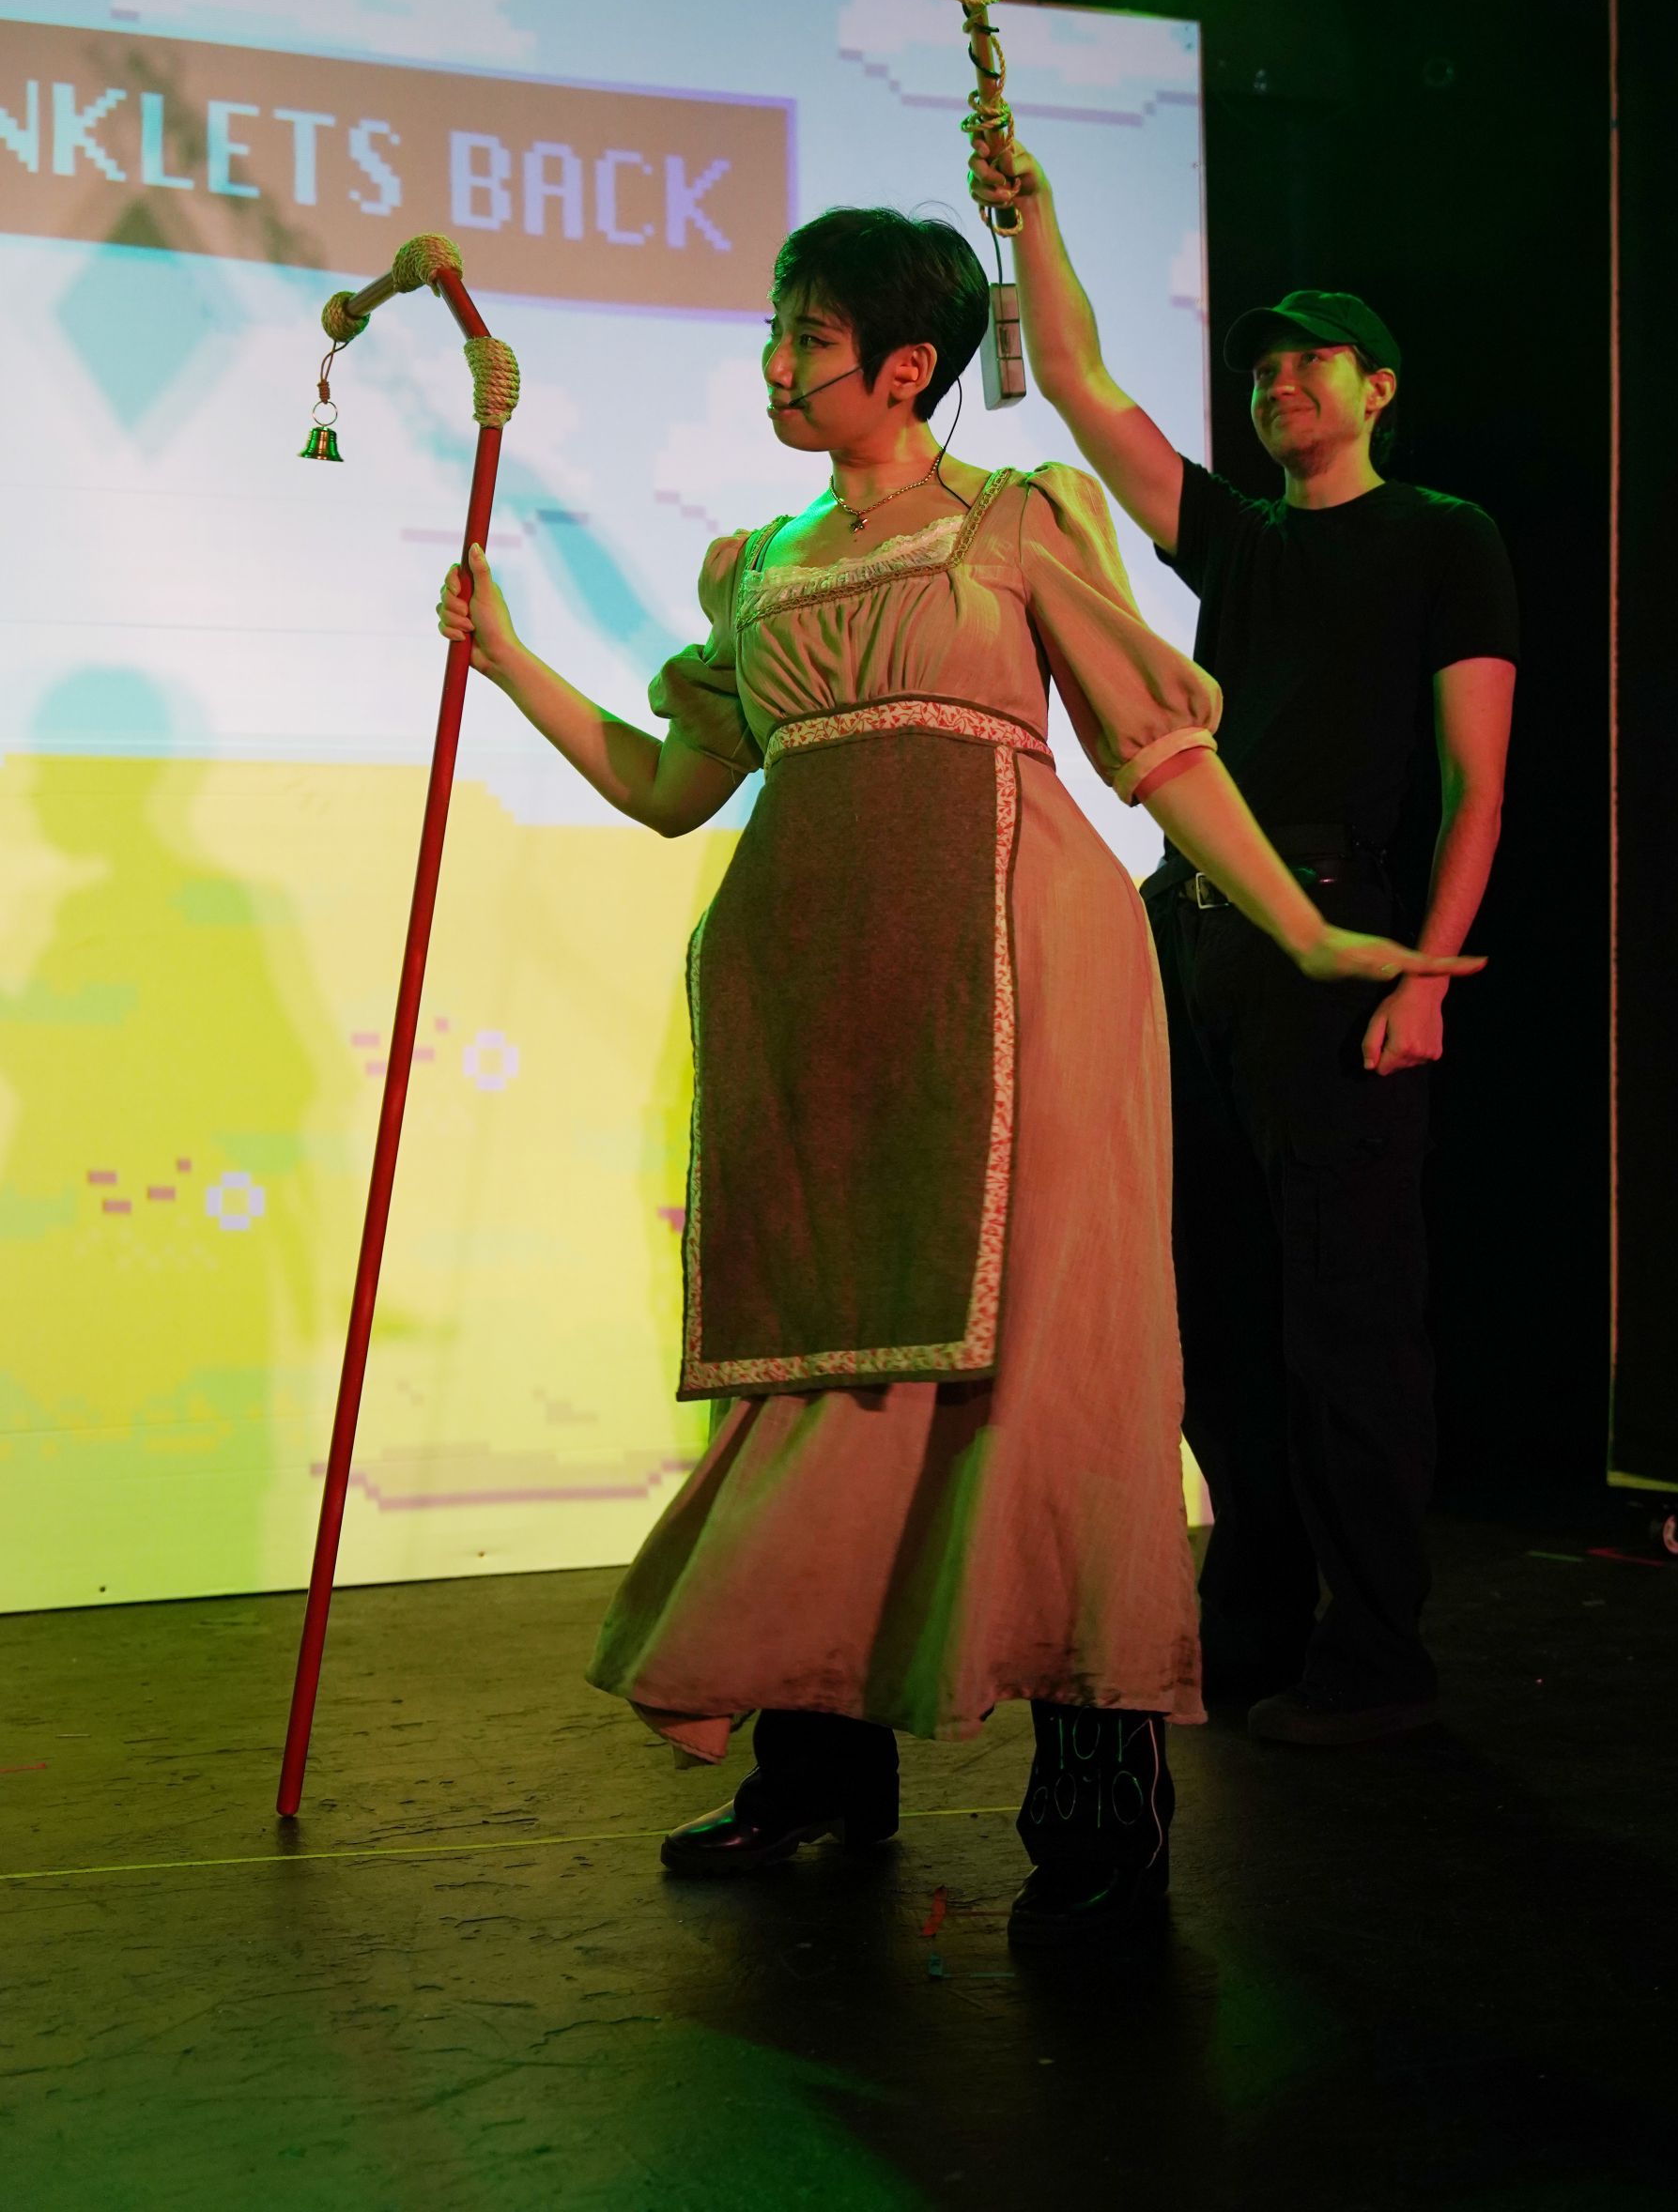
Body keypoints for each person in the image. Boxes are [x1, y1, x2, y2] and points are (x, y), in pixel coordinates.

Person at [438, 203, 1477, 1942]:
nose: (778, 368)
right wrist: (507, 658)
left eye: (809, 340)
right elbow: (669, 787)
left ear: (908, 365)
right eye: (776, 336)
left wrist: (1302, 932)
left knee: (1047, 1368)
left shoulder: (1015, 523)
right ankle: (816, 1762)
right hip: (816, 995)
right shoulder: (754, 568)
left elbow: (1156, 748)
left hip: (1019, 974)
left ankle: (1098, 1802)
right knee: (822, 1364)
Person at [973, 143, 1516, 1747]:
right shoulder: (1241, 540)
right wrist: (1034, 212)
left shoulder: (1443, 535)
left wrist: (1424, 976)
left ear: (1378, 387)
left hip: (1342, 939)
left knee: (1347, 1317)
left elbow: (1476, 783)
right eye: (1263, 370)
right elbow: (1081, 386)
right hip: (1194, 940)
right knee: (1213, 1306)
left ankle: (1379, 1649)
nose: (1278, 386)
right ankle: (1258, 1621)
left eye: (1308, 364)